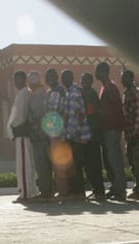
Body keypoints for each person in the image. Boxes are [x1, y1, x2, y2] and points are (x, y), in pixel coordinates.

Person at [95, 62, 127, 201]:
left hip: (112, 128)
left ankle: (120, 189)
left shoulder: (110, 87)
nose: (95, 73)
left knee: (114, 159)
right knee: (109, 159)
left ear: (103, 71)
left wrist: (99, 111)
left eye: (97, 70)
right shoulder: (104, 87)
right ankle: (116, 187)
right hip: (107, 128)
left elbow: (116, 107)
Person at [7, 70, 39, 203]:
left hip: (21, 133)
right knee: (28, 163)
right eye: (15, 79)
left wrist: (13, 127)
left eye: (18, 79)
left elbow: (20, 116)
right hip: (23, 133)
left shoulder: (23, 93)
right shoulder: (24, 92)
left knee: (24, 165)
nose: (16, 82)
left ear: (24, 80)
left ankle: (26, 194)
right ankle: (30, 191)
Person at [59, 69, 91, 201]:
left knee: (76, 165)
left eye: (64, 78)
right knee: (74, 164)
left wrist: (69, 136)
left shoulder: (73, 93)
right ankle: (76, 191)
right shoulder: (69, 92)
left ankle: (78, 192)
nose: (62, 80)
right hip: (74, 135)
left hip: (75, 136)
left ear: (70, 78)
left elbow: (74, 116)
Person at [121, 70, 139, 200]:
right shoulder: (126, 94)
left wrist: (135, 135)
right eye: (122, 78)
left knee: (138, 165)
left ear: (131, 78)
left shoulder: (136, 93)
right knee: (133, 164)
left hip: (135, 136)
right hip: (129, 135)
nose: (122, 81)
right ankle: (138, 189)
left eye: (125, 78)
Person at [27, 71, 53, 201]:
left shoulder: (37, 95)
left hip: (39, 134)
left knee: (41, 164)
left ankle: (45, 192)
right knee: (45, 165)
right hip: (45, 134)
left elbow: (37, 115)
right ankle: (48, 191)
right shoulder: (43, 92)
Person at [80, 72, 106, 201]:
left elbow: (90, 111)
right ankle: (96, 190)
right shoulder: (87, 94)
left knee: (94, 164)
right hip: (88, 135)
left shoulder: (91, 94)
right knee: (89, 165)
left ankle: (99, 191)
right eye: (83, 80)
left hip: (92, 136)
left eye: (87, 80)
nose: (85, 82)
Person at [44, 68, 67, 198]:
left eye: (52, 76)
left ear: (57, 77)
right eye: (48, 76)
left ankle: (63, 191)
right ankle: (60, 190)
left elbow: (53, 111)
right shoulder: (51, 91)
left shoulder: (58, 91)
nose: (49, 79)